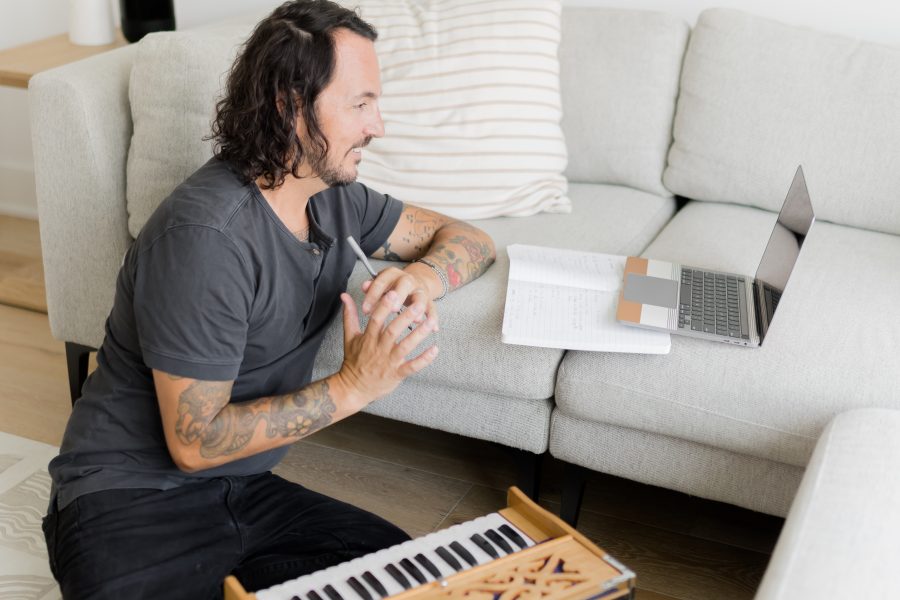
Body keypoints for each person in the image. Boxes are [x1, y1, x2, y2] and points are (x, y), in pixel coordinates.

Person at [41, 1, 496, 598]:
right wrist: (355, 385)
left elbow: (471, 240)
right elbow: (195, 443)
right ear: (290, 106)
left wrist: (425, 278)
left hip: (245, 493)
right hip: (127, 499)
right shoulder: (206, 239)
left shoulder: (334, 199)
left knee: (426, 583)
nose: (377, 126)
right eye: (360, 104)